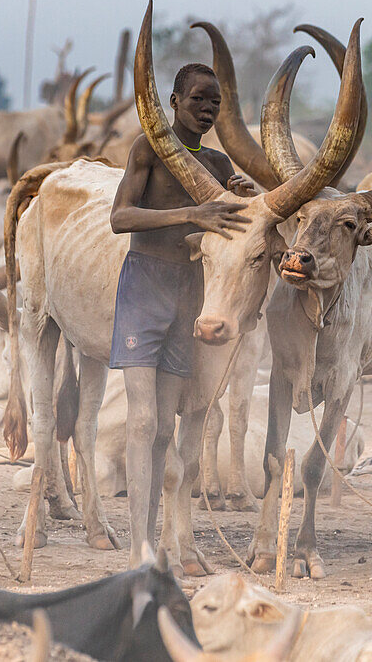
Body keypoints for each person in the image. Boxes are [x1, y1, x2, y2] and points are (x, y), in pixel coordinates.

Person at [110, 62, 253, 567]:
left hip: (189, 294)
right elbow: (119, 218)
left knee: (168, 428)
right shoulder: (149, 147)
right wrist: (190, 213)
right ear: (173, 101)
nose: (207, 109)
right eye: (197, 99)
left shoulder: (216, 164)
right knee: (143, 419)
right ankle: (137, 551)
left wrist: (244, 198)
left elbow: (233, 224)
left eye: (214, 102)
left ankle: (160, 542)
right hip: (144, 285)